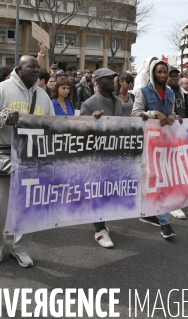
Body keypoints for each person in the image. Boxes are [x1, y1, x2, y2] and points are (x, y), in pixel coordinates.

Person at [0, 56, 54, 268]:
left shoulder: (43, 96)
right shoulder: (1, 89)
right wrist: (1, 119)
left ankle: (21, 248)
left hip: (33, 157)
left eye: (37, 67)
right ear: (19, 68)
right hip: (6, 155)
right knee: (0, 204)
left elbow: (53, 124)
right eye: (31, 66)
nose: (36, 70)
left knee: (30, 205)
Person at [131, 60, 179, 239]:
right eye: (159, 72)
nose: (162, 75)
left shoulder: (170, 93)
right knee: (158, 180)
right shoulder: (142, 92)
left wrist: (172, 116)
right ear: (152, 73)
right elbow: (135, 114)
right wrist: (153, 114)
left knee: (159, 180)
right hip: (149, 143)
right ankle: (165, 222)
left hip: (166, 143)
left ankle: (149, 213)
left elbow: (172, 112)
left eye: (164, 72)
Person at [79, 68, 122, 249]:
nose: (113, 81)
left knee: (110, 191)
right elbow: (80, 131)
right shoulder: (89, 104)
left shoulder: (118, 101)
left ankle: (103, 221)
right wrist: (92, 121)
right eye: (108, 79)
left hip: (116, 154)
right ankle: (99, 230)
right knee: (98, 191)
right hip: (97, 156)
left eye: (114, 78)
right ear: (97, 80)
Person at [166, 65, 188, 220]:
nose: (174, 78)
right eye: (172, 76)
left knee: (180, 167)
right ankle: (172, 203)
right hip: (168, 134)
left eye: (176, 75)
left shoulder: (182, 92)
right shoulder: (165, 91)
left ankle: (177, 199)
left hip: (181, 133)